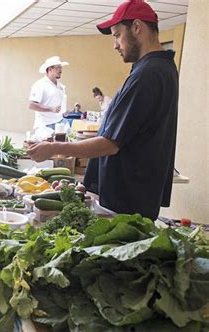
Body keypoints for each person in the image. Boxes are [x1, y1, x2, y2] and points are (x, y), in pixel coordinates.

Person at [27, 0, 178, 221]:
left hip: (127, 203)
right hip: (131, 197)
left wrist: (54, 148)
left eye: (117, 35)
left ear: (137, 27)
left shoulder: (148, 75)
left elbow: (110, 143)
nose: (115, 45)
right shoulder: (159, 68)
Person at [29, 56, 69, 130]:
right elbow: (31, 105)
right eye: (58, 68)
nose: (61, 70)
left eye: (61, 68)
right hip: (45, 126)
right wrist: (50, 109)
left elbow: (58, 105)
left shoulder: (60, 86)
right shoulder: (39, 85)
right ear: (50, 69)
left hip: (60, 123)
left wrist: (63, 112)